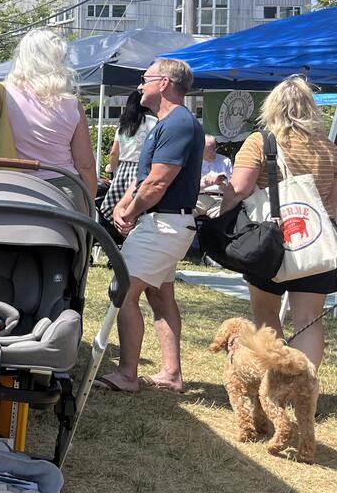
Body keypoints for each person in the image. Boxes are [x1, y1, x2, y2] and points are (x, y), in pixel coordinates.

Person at [96, 58, 203, 394]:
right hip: (168, 223)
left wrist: (131, 210)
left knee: (123, 291)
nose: (140, 86)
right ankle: (172, 374)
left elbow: (158, 182)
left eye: (145, 79)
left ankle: (127, 375)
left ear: (165, 83)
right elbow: (146, 177)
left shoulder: (177, 124)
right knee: (159, 295)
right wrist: (127, 204)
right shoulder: (167, 122)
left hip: (165, 224)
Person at [221, 75, 337, 369]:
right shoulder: (329, 150)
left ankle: (274, 381)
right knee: (309, 320)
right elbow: (334, 203)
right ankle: (304, 389)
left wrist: (223, 218)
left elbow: (240, 189)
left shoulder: (260, 141)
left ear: (272, 106)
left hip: (269, 241)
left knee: (266, 313)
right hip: (314, 245)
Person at [0, 29, 97, 200]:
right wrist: (89, 210)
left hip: (15, 190)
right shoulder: (73, 103)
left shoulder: (0, 93)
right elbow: (86, 165)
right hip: (65, 191)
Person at [100, 97, 155, 225]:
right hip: (143, 168)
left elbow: (114, 152)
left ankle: (121, 231)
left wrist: (113, 171)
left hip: (123, 170)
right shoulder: (153, 122)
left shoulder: (123, 125)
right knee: (139, 207)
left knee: (116, 206)